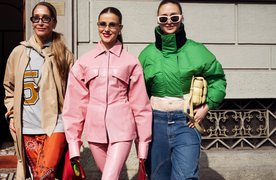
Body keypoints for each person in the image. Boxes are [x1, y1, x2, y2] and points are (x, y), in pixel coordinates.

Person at [138, 0, 227, 179]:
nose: (169, 21)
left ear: (182, 18)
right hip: (155, 123)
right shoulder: (147, 54)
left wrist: (206, 107)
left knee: (186, 176)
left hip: (187, 121)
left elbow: (217, 80)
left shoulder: (197, 50)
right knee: (157, 176)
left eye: (174, 17)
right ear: (158, 21)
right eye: (163, 18)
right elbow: (138, 93)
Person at [62, 7, 152, 180]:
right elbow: (74, 106)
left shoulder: (131, 62)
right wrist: (74, 145)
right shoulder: (84, 62)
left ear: (120, 28)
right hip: (94, 133)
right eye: (103, 24)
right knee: (110, 176)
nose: (107, 29)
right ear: (97, 26)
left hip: (123, 131)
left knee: (108, 178)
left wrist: (142, 147)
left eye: (112, 25)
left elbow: (141, 106)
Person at [3, 2, 75, 179]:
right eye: (36, 18)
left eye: (46, 18)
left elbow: (75, 92)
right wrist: (11, 114)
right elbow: (9, 88)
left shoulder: (64, 54)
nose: (40, 22)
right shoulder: (18, 53)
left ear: (54, 22)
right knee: (38, 176)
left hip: (56, 125)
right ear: (31, 22)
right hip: (27, 126)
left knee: (44, 175)